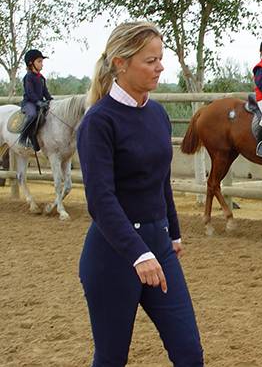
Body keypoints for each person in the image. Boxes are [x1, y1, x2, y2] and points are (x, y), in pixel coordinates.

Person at [77, 21, 204, 366]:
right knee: (111, 358)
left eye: (160, 59)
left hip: (159, 246)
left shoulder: (158, 115)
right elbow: (100, 200)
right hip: (114, 255)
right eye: (150, 61)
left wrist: (173, 231)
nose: (160, 67)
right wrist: (138, 254)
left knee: (189, 353)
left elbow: (160, 179)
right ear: (120, 62)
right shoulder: (98, 122)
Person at [20, 49, 53, 151]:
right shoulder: (28, 77)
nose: (41, 64)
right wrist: (38, 102)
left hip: (40, 103)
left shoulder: (42, 78)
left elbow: (45, 92)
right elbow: (30, 93)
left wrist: (51, 100)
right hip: (29, 103)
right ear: (31, 63)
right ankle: (25, 136)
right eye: (39, 61)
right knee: (33, 115)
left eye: (41, 62)